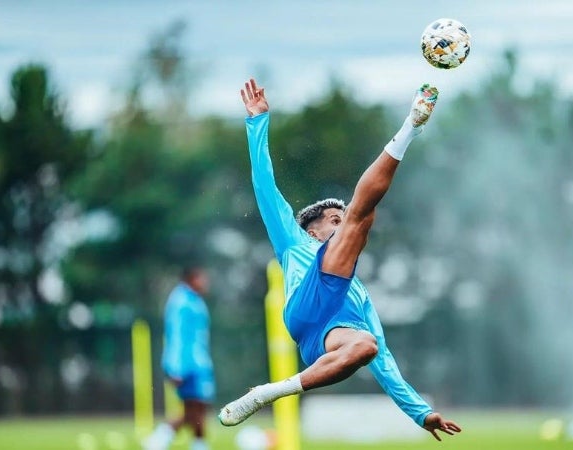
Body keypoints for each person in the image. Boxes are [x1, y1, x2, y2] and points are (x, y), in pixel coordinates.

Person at [218, 79, 461, 441]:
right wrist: (257, 123)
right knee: (363, 215)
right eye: (335, 219)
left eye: (341, 218)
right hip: (307, 304)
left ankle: (269, 392)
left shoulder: (358, 293)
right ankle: (411, 126)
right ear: (313, 231)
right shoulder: (293, 243)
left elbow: (384, 362)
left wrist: (421, 413)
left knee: (367, 346)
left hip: (327, 339)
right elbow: (264, 184)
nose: (341, 220)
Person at [145, 266, 214, 450]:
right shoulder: (180, 301)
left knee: (198, 407)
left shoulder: (196, 300)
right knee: (195, 406)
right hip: (186, 364)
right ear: (190, 279)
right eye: (201, 278)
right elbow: (175, 335)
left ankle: (194, 443)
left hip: (200, 363)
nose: (205, 283)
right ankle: (162, 438)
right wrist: (175, 368)